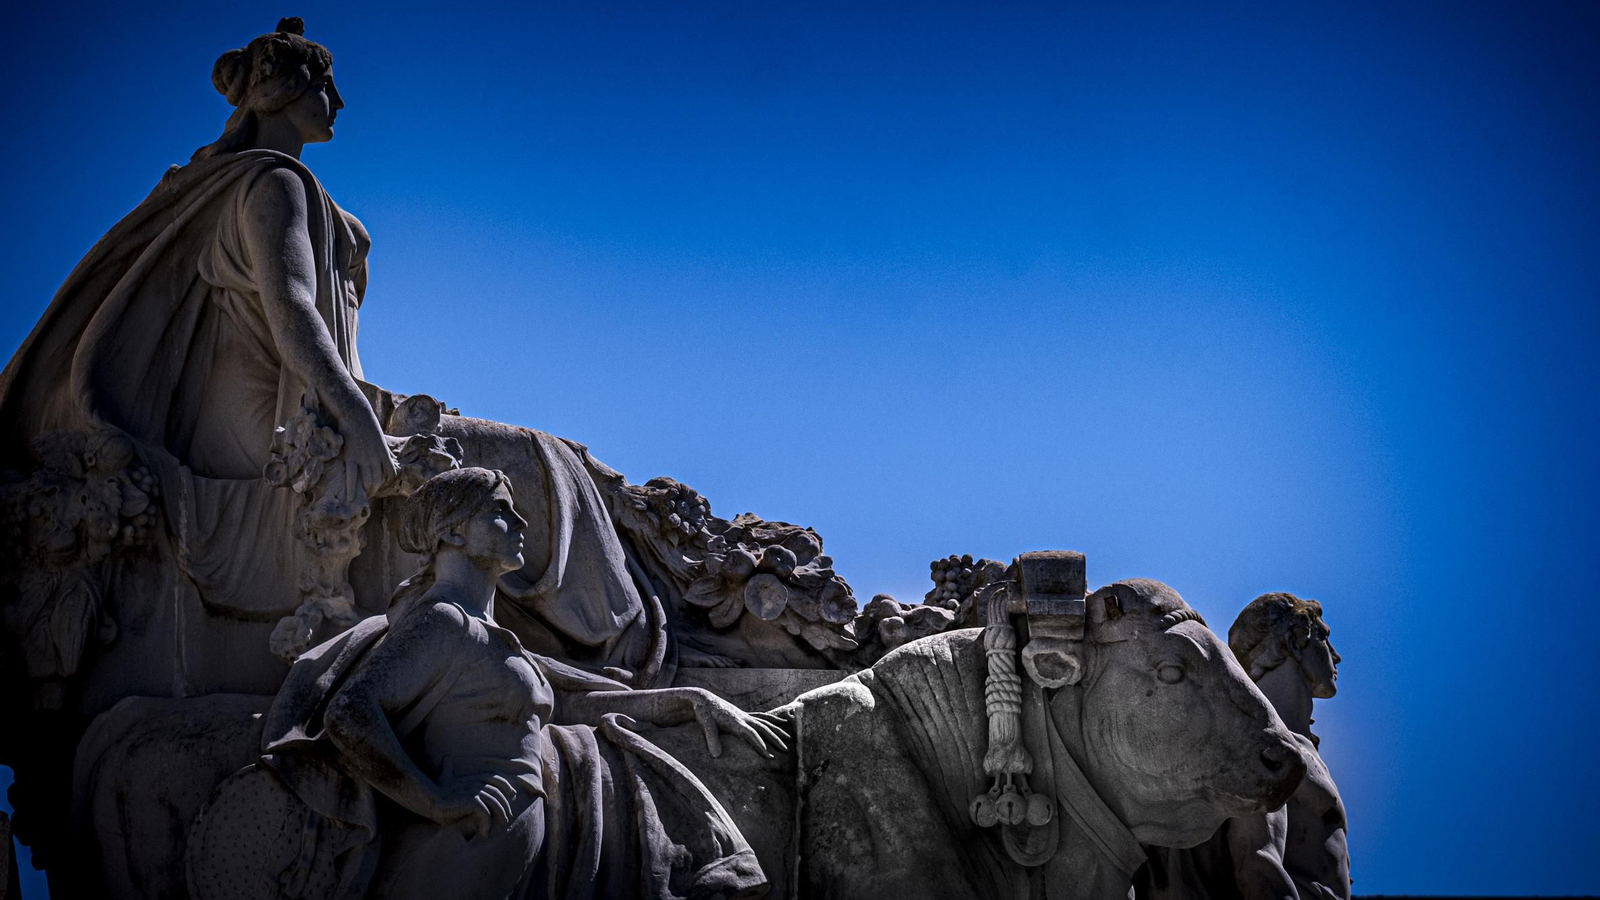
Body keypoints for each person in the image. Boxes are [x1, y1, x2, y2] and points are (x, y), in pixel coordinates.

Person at [192, 468, 783, 900]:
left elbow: (570, 702)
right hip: (465, 846)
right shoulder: (443, 620)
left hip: (512, 846)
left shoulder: (488, 632)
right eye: (500, 510)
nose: (520, 521)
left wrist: (685, 698)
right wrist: (434, 798)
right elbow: (351, 713)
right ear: (453, 531)